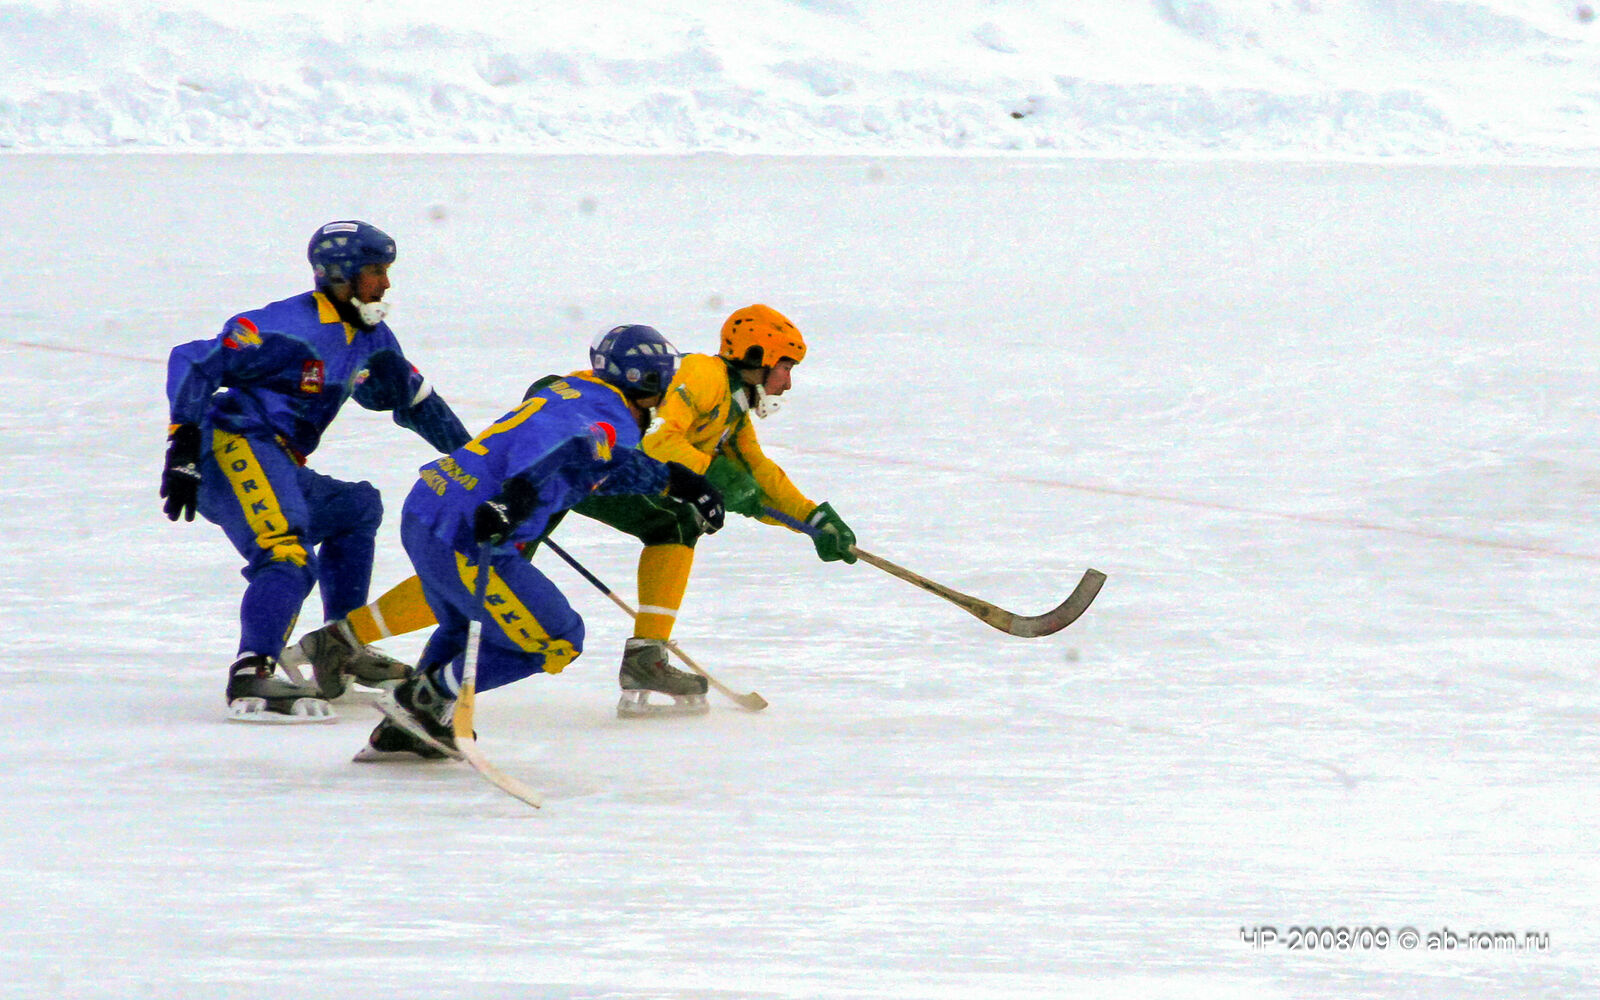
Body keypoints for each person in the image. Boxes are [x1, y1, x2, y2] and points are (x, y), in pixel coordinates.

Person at [291, 303, 858, 718]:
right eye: (786, 365)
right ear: (756, 355)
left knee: (484, 570)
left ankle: (344, 641)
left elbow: (759, 476)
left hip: (570, 465)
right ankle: (644, 655)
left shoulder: (732, 407)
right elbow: (658, 441)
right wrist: (707, 481)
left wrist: (811, 519)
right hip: (572, 462)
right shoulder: (703, 375)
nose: (788, 380)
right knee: (651, 530)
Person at [362, 325, 725, 760]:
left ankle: (406, 727)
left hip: (427, 509)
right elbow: (570, 450)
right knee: (559, 638)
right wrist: (515, 499)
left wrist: (677, 482)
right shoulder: (612, 418)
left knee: (462, 627)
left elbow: (594, 466)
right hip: (468, 532)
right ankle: (426, 697)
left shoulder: (576, 390)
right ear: (649, 381)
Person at [161, 220, 471, 723]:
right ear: (341, 275)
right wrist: (184, 446)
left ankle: (337, 645)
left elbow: (414, 401)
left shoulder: (372, 337)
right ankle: (251, 670)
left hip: (278, 459)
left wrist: (476, 464)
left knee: (356, 508)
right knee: (286, 551)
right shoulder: (288, 326)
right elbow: (194, 361)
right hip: (234, 445)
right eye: (376, 271)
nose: (386, 283)